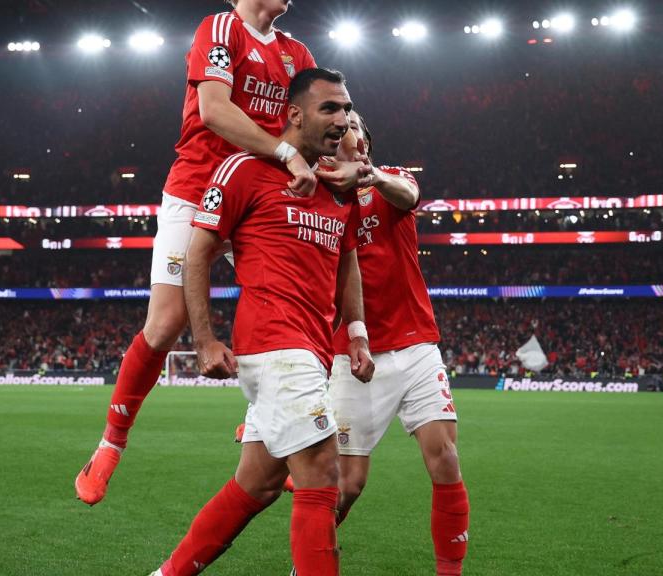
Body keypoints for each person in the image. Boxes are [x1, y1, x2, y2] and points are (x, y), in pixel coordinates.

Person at [74, 0, 331, 506]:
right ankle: (110, 443)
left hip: (261, 196)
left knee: (302, 308)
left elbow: (319, 118)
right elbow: (214, 110)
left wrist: (355, 163)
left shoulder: (298, 53)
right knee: (166, 324)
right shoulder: (219, 29)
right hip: (197, 189)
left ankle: (268, 428)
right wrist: (285, 152)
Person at [152, 68, 372, 576]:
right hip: (275, 346)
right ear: (294, 114)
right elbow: (197, 252)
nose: (342, 119)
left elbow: (347, 262)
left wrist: (357, 333)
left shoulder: (336, 186)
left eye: (346, 109)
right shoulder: (245, 169)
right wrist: (204, 340)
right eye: (329, 108)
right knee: (323, 473)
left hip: (312, 351)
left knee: (258, 483)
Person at [321, 112, 469, 576]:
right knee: (348, 485)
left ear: (366, 142)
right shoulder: (319, 199)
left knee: (445, 458)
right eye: (342, 125)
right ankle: (311, 560)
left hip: (416, 344)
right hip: (354, 354)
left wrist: (374, 177)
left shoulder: (392, 181)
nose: (351, 132)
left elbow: (409, 194)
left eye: (357, 125)